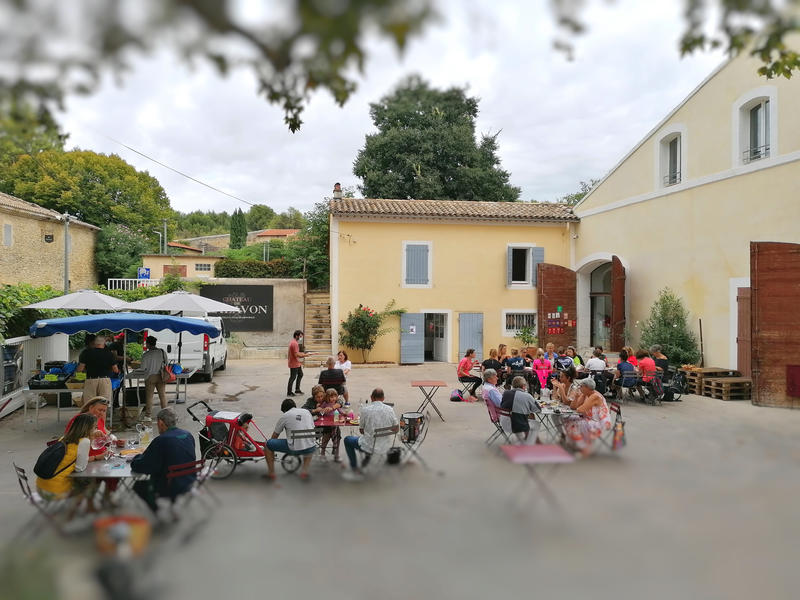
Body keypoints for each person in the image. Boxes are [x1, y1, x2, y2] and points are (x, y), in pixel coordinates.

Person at [131, 408, 197, 512]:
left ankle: (158, 512)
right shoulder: (188, 435)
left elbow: (144, 466)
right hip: (189, 480)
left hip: (170, 485)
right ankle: (172, 504)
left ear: (161, 423)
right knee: (169, 468)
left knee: (138, 486)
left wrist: (135, 459)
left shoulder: (161, 440)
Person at [36, 413, 100, 500]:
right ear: (88, 428)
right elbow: (79, 468)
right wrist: (95, 456)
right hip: (53, 492)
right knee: (92, 483)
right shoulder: (85, 441)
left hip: (41, 486)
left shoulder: (64, 438)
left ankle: (75, 510)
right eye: (95, 427)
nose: (96, 429)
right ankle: (79, 511)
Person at [342, 388, 399, 481]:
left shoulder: (365, 409)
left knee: (348, 439)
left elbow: (361, 430)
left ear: (371, 397)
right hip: (384, 446)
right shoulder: (390, 410)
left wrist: (370, 432)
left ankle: (354, 467)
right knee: (369, 437)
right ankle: (367, 457)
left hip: (369, 445)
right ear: (383, 398)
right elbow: (396, 429)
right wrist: (383, 430)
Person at [263, 398, 316, 480]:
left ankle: (271, 473)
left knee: (268, 444)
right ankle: (304, 472)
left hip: (295, 448)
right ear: (294, 406)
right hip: (311, 447)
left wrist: (272, 448)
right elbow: (312, 426)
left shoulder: (285, 416)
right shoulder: (306, 412)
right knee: (308, 441)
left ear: (284, 410)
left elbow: (275, 435)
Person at [562, 378, 613, 456]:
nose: (579, 388)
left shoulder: (595, 396)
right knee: (567, 419)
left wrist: (579, 406)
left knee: (573, 425)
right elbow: (573, 407)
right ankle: (576, 444)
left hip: (599, 422)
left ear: (587, 387)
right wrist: (576, 397)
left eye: (581, 386)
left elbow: (580, 409)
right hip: (589, 418)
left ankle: (584, 448)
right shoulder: (586, 394)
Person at [77, 335, 119, 406]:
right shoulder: (109, 354)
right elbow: (115, 370)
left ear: (95, 343)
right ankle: (102, 417)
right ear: (103, 343)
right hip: (105, 380)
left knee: (89, 404)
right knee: (103, 404)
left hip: (91, 380)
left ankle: (90, 417)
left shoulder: (86, 353)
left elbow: (80, 369)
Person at [305, 387, 343, 461]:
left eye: (322, 396)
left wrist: (333, 407)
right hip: (317, 425)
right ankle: (323, 453)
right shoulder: (310, 401)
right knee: (327, 433)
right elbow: (303, 410)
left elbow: (340, 401)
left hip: (330, 423)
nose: (320, 398)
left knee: (337, 433)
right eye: (318, 397)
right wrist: (315, 410)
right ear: (313, 397)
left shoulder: (327, 398)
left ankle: (336, 453)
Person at [499, 376, 540, 443]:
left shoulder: (506, 393)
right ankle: (529, 444)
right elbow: (537, 409)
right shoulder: (527, 395)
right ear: (523, 386)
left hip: (503, 423)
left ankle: (523, 441)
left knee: (523, 415)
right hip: (514, 425)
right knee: (536, 424)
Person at [140, 335, 168, 417]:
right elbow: (166, 363)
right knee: (162, 395)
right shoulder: (162, 352)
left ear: (148, 344)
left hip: (150, 377)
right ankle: (165, 414)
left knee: (149, 397)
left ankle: (148, 415)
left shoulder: (146, 355)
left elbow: (143, 368)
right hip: (161, 376)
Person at [287, 330, 310, 397]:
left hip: (296, 362)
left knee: (300, 374)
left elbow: (297, 353)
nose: (301, 338)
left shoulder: (294, 342)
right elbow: (297, 355)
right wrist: (305, 355)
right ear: (296, 336)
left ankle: (297, 389)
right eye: (300, 336)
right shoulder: (294, 343)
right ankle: (289, 392)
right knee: (293, 377)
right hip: (294, 363)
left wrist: (303, 354)